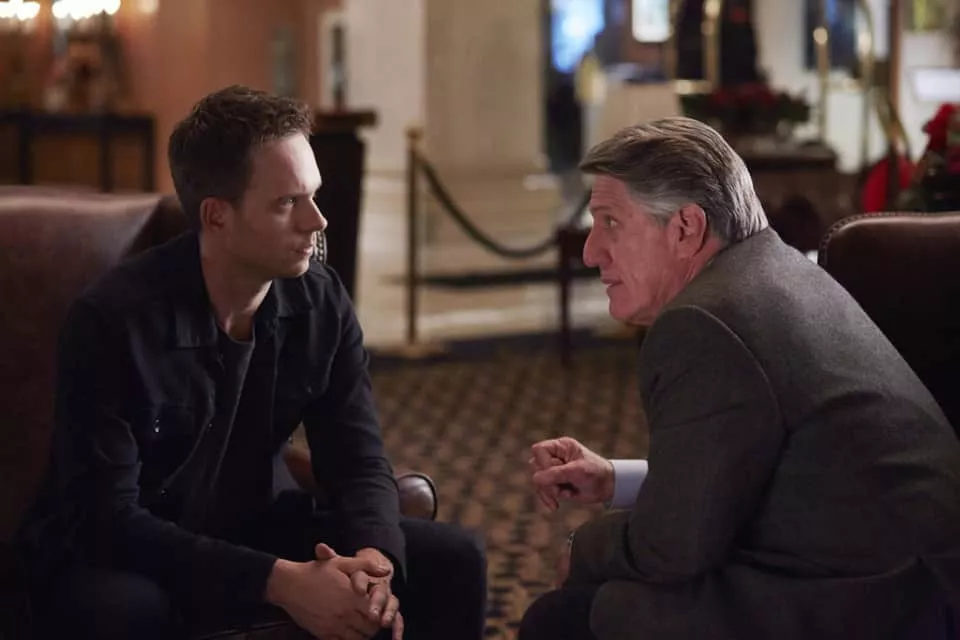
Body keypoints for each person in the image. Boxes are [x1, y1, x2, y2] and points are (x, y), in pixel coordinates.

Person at [16, 85, 487, 640]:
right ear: (217, 216)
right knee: (127, 611)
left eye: (314, 195)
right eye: (288, 203)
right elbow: (106, 519)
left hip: (253, 522)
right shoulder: (112, 320)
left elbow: (357, 457)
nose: (318, 221)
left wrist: (374, 559)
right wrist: (279, 581)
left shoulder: (320, 299)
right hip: (124, 548)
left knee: (454, 557)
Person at [522, 117, 960, 640]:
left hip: (870, 605)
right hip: (902, 580)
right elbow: (760, 469)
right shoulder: (777, 271)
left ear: (685, 227)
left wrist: (583, 547)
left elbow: (673, 547)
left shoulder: (703, 322)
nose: (591, 251)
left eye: (610, 222)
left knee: (564, 619)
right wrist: (618, 480)